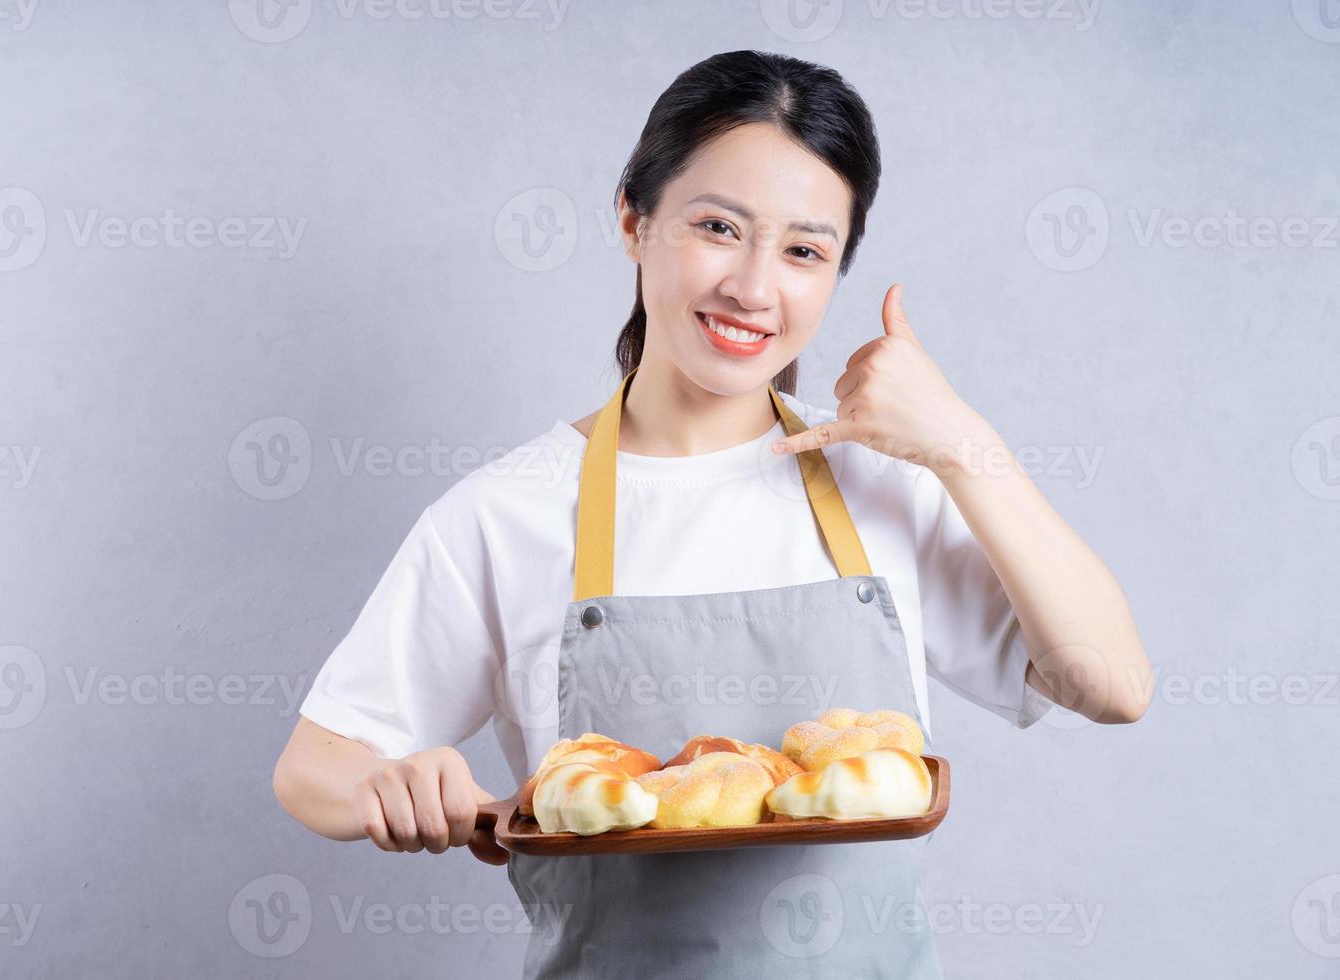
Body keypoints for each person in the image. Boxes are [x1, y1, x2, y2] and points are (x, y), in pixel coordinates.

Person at [273, 49, 1151, 978]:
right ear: (633, 220)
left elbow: (1113, 685)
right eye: (720, 227)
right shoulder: (506, 515)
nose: (754, 287)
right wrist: (388, 783)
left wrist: (964, 446)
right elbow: (312, 765)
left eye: (805, 250)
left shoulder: (888, 481)